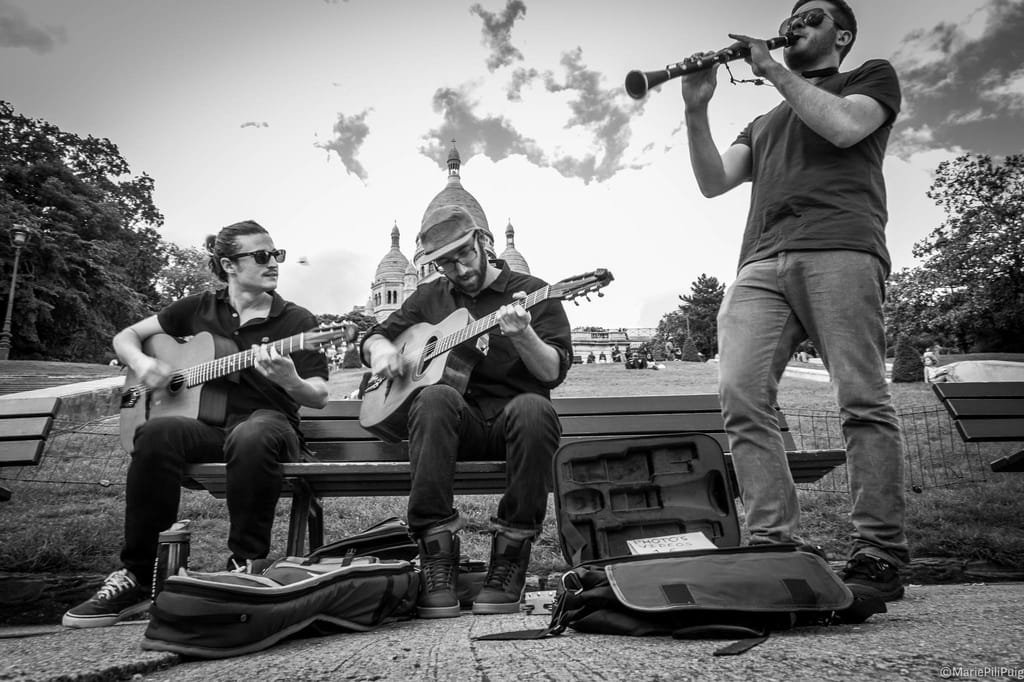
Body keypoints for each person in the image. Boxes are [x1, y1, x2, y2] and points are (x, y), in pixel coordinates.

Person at [679, 0, 908, 601]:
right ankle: (772, 542)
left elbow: (843, 127)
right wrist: (695, 109)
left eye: (811, 17)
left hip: (841, 246)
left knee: (861, 397)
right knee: (741, 396)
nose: (796, 23)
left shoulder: (869, 77)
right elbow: (711, 182)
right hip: (760, 261)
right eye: (792, 17)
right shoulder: (763, 122)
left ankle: (878, 549)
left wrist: (772, 68)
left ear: (843, 35)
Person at [62, 220, 330, 628]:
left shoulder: (298, 321)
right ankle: (137, 575)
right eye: (261, 255)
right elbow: (127, 337)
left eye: (277, 254)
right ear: (229, 265)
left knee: (252, 432)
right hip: (210, 428)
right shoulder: (199, 308)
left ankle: (245, 567)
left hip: (270, 427)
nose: (274, 262)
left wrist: (290, 380)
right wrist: (144, 364)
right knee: (155, 432)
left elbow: (319, 395)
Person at [361, 205, 572, 618]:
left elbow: (551, 372)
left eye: (464, 255)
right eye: (444, 262)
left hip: (514, 424)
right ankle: (437, 555)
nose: (457, 268)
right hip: (452, 425)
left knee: (534, 409)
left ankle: (511, 555)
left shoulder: (532, 291)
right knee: (433, 397)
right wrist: (383, 348)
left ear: (484, 242)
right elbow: (374, 337)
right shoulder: (429, 297)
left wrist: (524, 333)